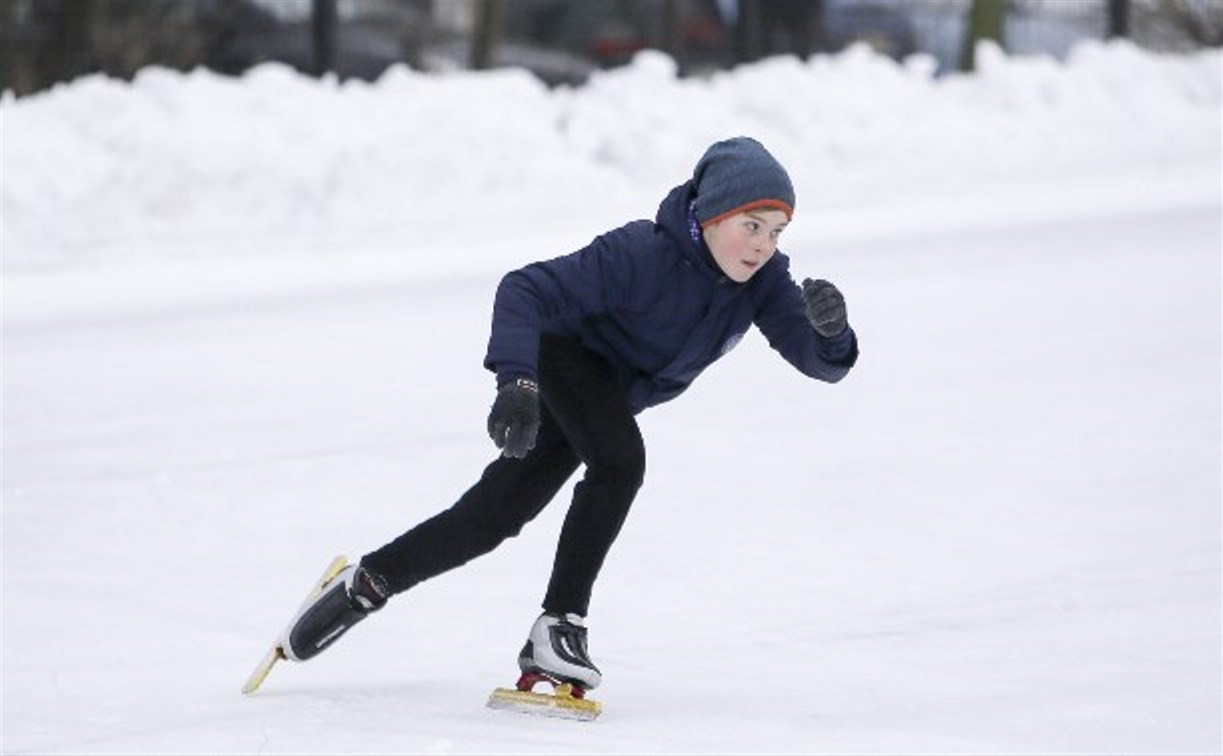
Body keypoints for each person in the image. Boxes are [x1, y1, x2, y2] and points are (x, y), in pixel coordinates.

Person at [278, 136, 859, 694]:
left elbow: (821, 363)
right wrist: (517, 382)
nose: (762, 246)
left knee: (495, 515)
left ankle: (367, 582)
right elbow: (524, 290)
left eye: (776, 232)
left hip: (607, 394)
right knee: (620, 461)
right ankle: (560, 626)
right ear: (709, 215)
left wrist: (831, 334)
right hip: (562, 359)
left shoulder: (763, 281)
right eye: (750, 227)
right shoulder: (640, 253)